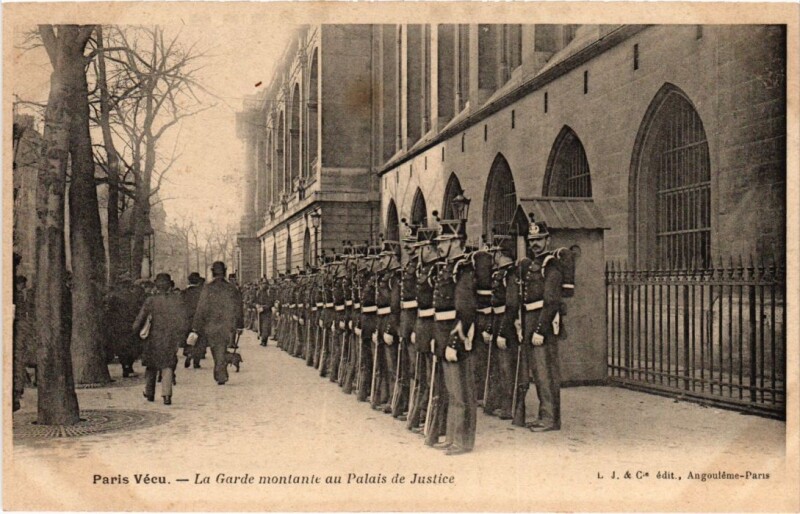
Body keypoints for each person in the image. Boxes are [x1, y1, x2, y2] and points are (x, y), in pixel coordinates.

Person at [431, 205, 477, 456]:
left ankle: (463, 441)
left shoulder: (463, 269)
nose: (440, 246)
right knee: (451, 391)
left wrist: (454, 343)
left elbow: (466, 311)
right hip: (443, 335)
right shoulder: (448, 267)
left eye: (445, 241)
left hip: (454, 337)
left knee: (461, 392)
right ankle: (451, 437)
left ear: (457, 242)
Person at [518, 217, 565, 432]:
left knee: (546, 374)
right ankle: (543, 416)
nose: (534, 243)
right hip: (530, 321)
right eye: (531, 240)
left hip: (541, 324)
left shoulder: (551, 264)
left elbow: (552, 301)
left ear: (548, 240)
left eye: (538, 239)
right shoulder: (533, 264)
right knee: (538, 373)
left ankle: (550, 419)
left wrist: (540, 330)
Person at [132, 273, 188, 405]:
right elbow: (182, 320)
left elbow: (140, 319)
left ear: (156, 285)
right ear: (169, 285)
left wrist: (134, 330)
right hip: (170, 337)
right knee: (168, 365)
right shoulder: (176, 300)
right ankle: (167, 395)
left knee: (151, 365)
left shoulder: (151, 300)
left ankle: (149, 392)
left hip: (153, 338)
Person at [189, 262, 244, 385]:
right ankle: (221, 370)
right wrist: (240, 325)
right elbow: (238, 307)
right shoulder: (231, 288)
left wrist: (196, 326)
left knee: (216, 348)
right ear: (224, 271)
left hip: (211, 324)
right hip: (227, 325)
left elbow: (201, 308)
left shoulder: (208, 288)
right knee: (222, 347)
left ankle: (220, 373)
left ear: (213, 272)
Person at [105, 274, 146, 377]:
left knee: (121, 348)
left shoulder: (114, 296)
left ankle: (125, 366)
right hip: (131, 325)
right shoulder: (133, 296)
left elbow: (110, 311)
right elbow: (138, 309)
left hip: (119, 325)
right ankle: (129, 366)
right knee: (132, 347)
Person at [182, 272, 206, 368]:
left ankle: (188, 353)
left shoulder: (184, 293)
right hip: (199, 319)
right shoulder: (202, 293)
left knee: (188, 338)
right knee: (199, 340)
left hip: (186, 319)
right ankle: (196, 361)